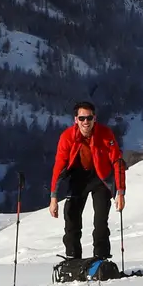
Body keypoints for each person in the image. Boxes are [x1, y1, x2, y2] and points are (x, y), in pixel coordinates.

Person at [48, 100, 126, 264]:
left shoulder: (105, 134)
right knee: (71, 218)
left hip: (100, 178)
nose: (86, 122)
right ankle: (73, 258)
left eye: (89, 118)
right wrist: (53, 197)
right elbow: (59, 166)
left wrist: (120, 192)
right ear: (75, 119)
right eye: (82, 118)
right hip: (78, 178)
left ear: (94, 118)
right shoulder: (67, 137)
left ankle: (101, 258)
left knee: (100, 220)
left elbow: (117, 162)